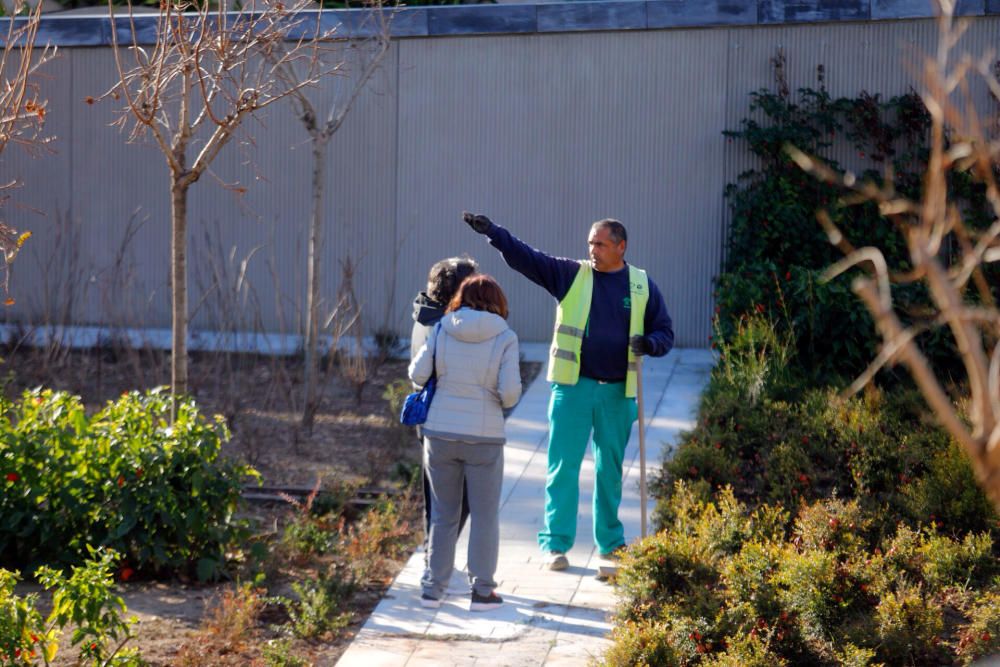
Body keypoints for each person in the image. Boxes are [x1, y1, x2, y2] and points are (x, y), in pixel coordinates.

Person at [461, 211, 673, 571]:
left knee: (610, 470)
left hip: (618, 394)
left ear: (621, 247)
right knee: (563, 468)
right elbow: (529, 259)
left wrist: (649, 343)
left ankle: (610, 544)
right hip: (573, 389)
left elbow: (665, 333)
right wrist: (494, 233)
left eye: (601, 244)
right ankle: (555, 545)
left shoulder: (641, 285)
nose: (593, 249)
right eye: (591, 243)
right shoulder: (573, 275)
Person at [409, 274, 522, 611]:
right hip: (484, 438)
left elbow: (417, 374)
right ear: (497, 301)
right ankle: (483, 592)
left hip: (439, 434)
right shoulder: (505, 336)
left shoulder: (443, 327)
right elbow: (511, 392)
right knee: (485, 516)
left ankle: (433, 589)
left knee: (444, 514)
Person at [411, 257, 478, 553]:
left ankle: (434, 557)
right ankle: (436, 560)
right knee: (455, 501)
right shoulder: (445, 326)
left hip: (431, 419)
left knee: (438, 497)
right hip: (449, 420)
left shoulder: (425, 314)